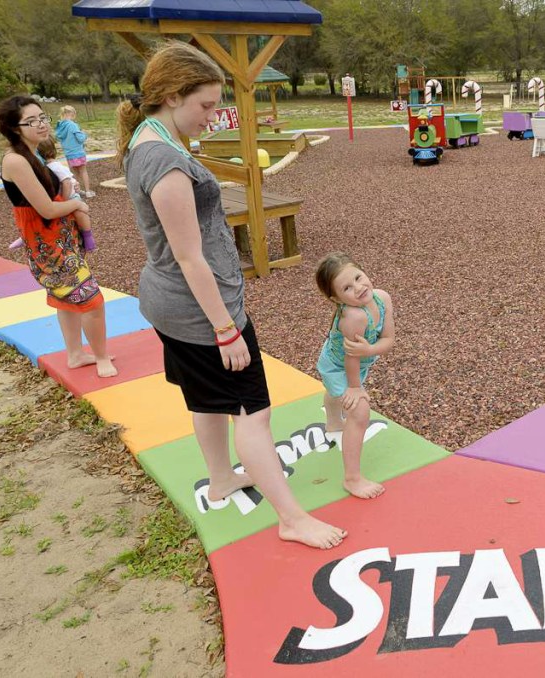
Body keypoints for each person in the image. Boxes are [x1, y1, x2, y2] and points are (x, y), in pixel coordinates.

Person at [117, 41, 345, 550]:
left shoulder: (152, 138)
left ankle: (221, 479)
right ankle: (291, 517)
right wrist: (225, 328)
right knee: (252, 412)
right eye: (205, 105)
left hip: (174, 304)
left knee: (207, 399)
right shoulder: (164, 161)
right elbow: (189, 257)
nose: (212, 116)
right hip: (199, 311)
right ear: (173, 96)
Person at [0, 96, 117, 377]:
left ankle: (75, 355)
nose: (41, 124)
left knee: (67, 299)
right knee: (91, 300)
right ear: (15, 128)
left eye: (43, 118)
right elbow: (47, 209)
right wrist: (77, 203)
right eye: (32, 121)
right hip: (48, 245)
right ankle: (101, 358)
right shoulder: (16, 160)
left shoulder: (33, 154)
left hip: (60, 239)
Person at [315, 253, 396, 500]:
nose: (359, 288)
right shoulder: (353, 317)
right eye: (347, 288)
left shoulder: (382, 298)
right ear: (336, 299)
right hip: (339, 367)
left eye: (359, 278)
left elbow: (389, 339)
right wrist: (355, 388)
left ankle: (333, 421)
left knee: (337, 395)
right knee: (359, 411)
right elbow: (351, 358)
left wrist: (369, 350)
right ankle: (352, 478)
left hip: (359, 361)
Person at [9, 138, 96, 251]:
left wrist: (65, 201)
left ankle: (88, 236)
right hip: (55, 198)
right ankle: (24, 237)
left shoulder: (54, 166)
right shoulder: (42, 168)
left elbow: (67, 183)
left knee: (80, 212)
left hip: (69, 196)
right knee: (40, 216)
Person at [55, 106, 94, 198]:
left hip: (68, 154)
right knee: (83, 171)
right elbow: (80, 138)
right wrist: (84, 134)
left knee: (74, 173)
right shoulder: (72, 125)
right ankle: (88, 191)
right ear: (71, 114)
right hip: (78, 152)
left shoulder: (60, 126)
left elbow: (59, 137)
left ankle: (77, 191)